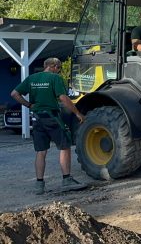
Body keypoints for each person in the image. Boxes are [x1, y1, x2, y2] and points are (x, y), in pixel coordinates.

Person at [11, 57, 88, 195]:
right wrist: (77, 113)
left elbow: (14, 94)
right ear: (53, 66)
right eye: (58, 69)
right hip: (52, 117)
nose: (58, 71)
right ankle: (66, 180)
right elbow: (63, 99)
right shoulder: (54, 78)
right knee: (64, 146)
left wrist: (29, 105)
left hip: (37, 118)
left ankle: (39, 185)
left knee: (41, 151)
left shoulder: (32, 78)